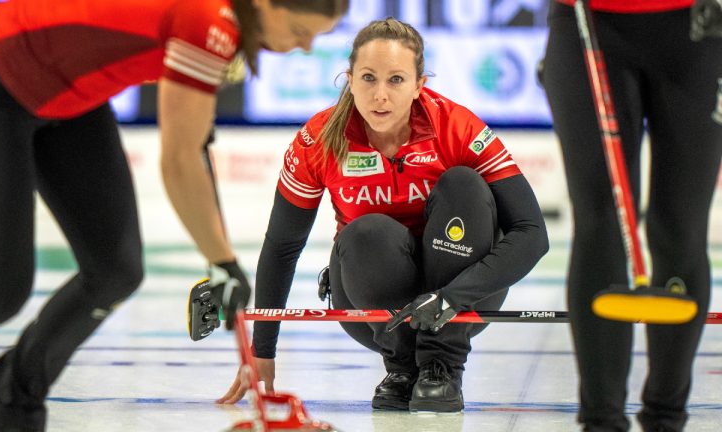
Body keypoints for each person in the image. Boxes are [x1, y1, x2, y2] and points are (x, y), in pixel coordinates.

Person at [0, 0, 348, 430]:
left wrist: (219, 260)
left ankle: (9, 402)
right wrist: (222, 262)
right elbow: (178, 160)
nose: (306, 47)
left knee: (115, 271)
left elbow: (195, 146)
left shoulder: (226, 26)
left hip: (71, 94)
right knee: (0, 291)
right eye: (299, 30)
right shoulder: (209, 20)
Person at [218, 17, 549, 413]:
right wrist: (263, 351)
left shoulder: (457, 127)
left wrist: (448, 300)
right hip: (369, 301)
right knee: (366, 232)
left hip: (462, 298)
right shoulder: (319, 139)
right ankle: (403, 367)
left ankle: (441, 365)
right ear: (349, 79)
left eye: (395, 80)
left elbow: (532, 233)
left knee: (463, 184)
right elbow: (283, 246)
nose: (380, 96)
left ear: (418, 86)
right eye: (369, 78)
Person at [541, 0, 722, 430]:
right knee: (601, 223)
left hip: (695, 25)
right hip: (587, 20)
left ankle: (665, 415)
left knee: (678, 227)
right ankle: (601, 420)